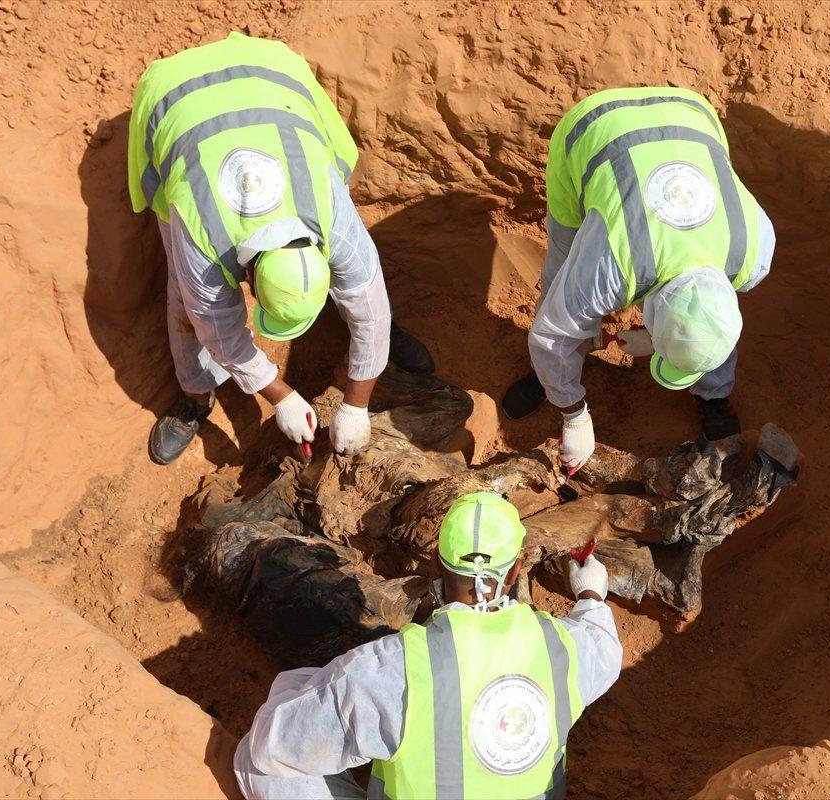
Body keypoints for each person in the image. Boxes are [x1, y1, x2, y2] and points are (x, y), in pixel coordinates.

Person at [127, 33, 434, 465]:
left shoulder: (333, 218)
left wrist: (356, 405)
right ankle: (196, 397)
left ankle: (373, 349)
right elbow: (218, 331)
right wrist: (281, 396)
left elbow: (373, 308)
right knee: (187, 302)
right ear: (247, 276)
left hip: (273, 68)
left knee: (367, 312)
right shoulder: (204, 234)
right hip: (174, 93)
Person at [234, 491, 622, 799]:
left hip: (366, 689)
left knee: (253, 758)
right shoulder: (564, 647)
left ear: (435, 563)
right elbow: (604, 646)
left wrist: (302, 687)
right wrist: (590, 593)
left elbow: (275, 747)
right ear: (516, 569)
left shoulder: (389, 670)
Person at [501, 87, 776, 471]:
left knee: (707, 324)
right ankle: (553, 374)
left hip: (691, 114)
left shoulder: (752, 253)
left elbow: (714, 317)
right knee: (560, 276)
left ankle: (713, 395)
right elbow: (551, 331)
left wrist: (659, 336)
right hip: (592, 129)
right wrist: (573, 412)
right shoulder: (610, 264)